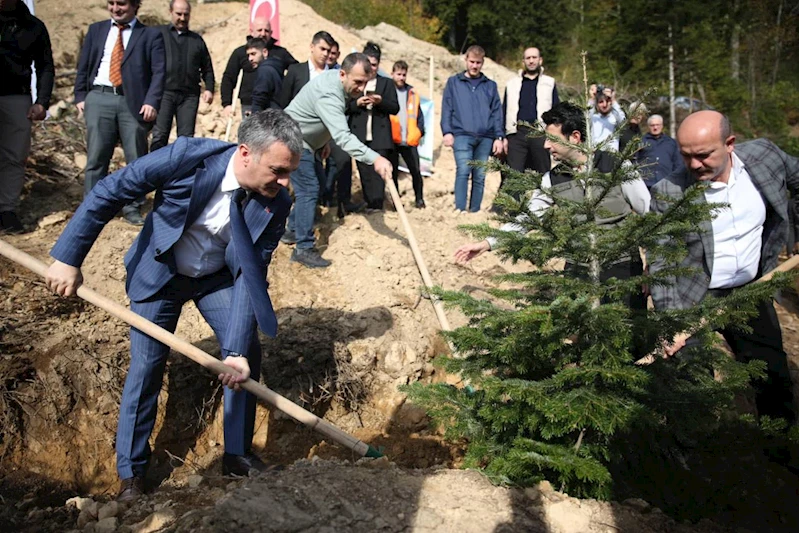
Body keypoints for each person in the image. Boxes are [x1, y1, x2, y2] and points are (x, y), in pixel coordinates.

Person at [45, 109, 302, 502]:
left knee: (245, 350)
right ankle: (132, 473)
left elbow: (250, 274)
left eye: (290, 172)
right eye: (278, 171)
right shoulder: (187, 156)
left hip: (215, 277)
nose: (285, 183)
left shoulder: (276, 202)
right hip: (160, 273)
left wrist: (234, 351)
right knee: (147, 364)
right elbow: (111, 190)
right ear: (246, 153)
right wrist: (68, 258)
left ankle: (237, 455)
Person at [651, 110, 799, 425]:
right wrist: (671, 322)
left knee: (772, 375)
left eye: (703, 155)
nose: (693, 165)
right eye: (686, 155)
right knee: (691, 382)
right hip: (693, 297)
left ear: (730, 143)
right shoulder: (669, 191)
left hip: (751, 291)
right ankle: (696, 445)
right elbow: (662, 264)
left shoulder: (765, 158)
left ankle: (779, 440)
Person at [454, 102, 650, 309]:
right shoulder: (552, 179)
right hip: (578, 273)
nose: (546, 145)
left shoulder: (617, 165)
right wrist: (486, 244)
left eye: (552, 139)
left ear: (575, 137)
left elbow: (651, 214)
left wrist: (652, 267)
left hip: (624, 269)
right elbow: (527, 219)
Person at [282, 53, 393, 268]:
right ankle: (303, 248)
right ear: (343, 74)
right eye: (358, 82)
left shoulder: (336, 82)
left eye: (365, 83)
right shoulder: (330, 94)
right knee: (309, 189)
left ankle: (292, 230)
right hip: (293, 140)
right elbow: (343, 137)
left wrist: (323, 141)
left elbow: (320, 117)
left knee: (314, 186)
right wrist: (376, 159)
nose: (361, 88)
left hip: (306, 141)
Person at [74, 0, 165, 226]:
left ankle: (132, 207)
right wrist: (81, 96)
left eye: (121, 4)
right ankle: (92, 207)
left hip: (132, 103)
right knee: (96, 157)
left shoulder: (150, 35)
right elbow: (83, 65)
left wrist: (151, 101)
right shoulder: (96, 30)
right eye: (111, 3)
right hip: (99, 97)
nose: (115, 8)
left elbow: (159, 72)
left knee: (135, 159)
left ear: (135, 6)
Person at [0, 0, 54, 234]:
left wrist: (42, 101)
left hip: (16, 97)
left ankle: (7, 210)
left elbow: (45, 66)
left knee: (14, 155)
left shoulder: (33, 26)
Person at [441, 45, 504, 213]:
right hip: (461, 134)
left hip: (485, 137)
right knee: (463, 171)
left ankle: (474, 211)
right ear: (466, 60)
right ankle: (460, 209)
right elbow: (447, 108)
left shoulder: (490, 85)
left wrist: (499, 137)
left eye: (478, 62)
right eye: (472, 62)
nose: (474, 66)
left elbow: (497, 113)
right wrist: (447, 131)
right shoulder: (454, 82)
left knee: (480, 175)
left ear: (483, 63)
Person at [150, 0, 214, 152]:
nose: (182, 18)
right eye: (179, 14)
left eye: (186, 14)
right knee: (160, 135)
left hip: (189, 96)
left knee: (186, 140)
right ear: (170, 12)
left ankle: (182, 167)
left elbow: (207, 67)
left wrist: (209, 88)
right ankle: (156, 166)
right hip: (164, 93)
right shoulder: (158, 34)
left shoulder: (197, 40)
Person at [347, 42, 399, 211]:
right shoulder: (355, 82)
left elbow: (395, 108)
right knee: (364, 172)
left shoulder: (386, 83)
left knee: (378, 173)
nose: (371, 68)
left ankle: (377, 206)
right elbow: (346, 107)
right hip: (359, 134)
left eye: (374, 65)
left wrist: (380, 101)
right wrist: (358, 103)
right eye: (368, 64)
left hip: (379, 135)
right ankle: (369, 203)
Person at [220, 17, 297, 118]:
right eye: (259, 30)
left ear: (271, 33)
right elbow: (228, 77)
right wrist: (227, 103)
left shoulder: (281, 53)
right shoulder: (241, 52)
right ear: (251, 31)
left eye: (267, 31)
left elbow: (296, 71)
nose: (263, 34)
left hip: (276, 105)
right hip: (250, 104)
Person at [502, 47, 558, 183]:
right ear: (523, 61)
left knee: (543, 174)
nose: (531, 61)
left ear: (540, 60)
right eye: (528, 58)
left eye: (534, 57)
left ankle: (544, 197)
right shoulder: (512, 84)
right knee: (513, 176)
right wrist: (503, 136)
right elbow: (504, 111)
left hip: (540, 133)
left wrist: (554, 136)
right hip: (516, 134)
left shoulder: (549, 83)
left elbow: (556, 111)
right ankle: (513, 198)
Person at [388, 60, 426, 208]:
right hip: (392, 139)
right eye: (398, 74)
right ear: (392, 74)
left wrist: (419, 131)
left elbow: (419, 115)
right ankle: (395, 202)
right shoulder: (387, 91)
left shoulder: (412, 93)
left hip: (409, 140)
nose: (401, 77)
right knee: (393, 173)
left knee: (415, 171)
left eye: (404, 75)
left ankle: (419, 200)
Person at [276, 30, 334, 109]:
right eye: (322, 49)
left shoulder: (333, 75)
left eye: (328, 51)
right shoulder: (295, 71)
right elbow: (284, 101)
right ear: (312, 47)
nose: (325, 54)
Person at [635, 114, 683, 189]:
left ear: (662, 126)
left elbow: (678, 163)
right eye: (652, 125)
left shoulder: (671, 142)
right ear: (648, 126)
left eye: (657, 125)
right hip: (646, 184)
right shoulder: (640, 142)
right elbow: (635, 161)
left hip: (667, 182)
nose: (655, 128)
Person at [249, 38, 285, 113]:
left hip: (269, 115)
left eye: (253, 54)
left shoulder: (264, 70)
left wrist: (254, 114)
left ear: (265, 52)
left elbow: (260, 96)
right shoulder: (274, 67)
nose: (250, 58)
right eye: (248, 55)